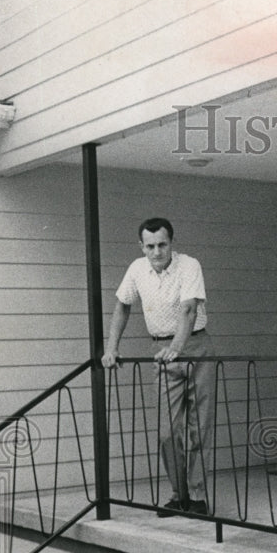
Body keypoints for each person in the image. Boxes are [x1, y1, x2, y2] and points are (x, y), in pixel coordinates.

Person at [101, 218, 214, 517]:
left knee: (199, 428)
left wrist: (176, 348)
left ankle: (198, 495)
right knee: (167, 431)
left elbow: (189, 309)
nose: (156, 252)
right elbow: (122, 305)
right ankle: (179, 495)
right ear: (142, 246)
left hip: (194, 347)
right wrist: (112, 348)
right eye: (150, 246)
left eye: (162, 245)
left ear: (171, 243)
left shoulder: (189, 266)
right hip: (161, 350)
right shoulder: (137, 269)